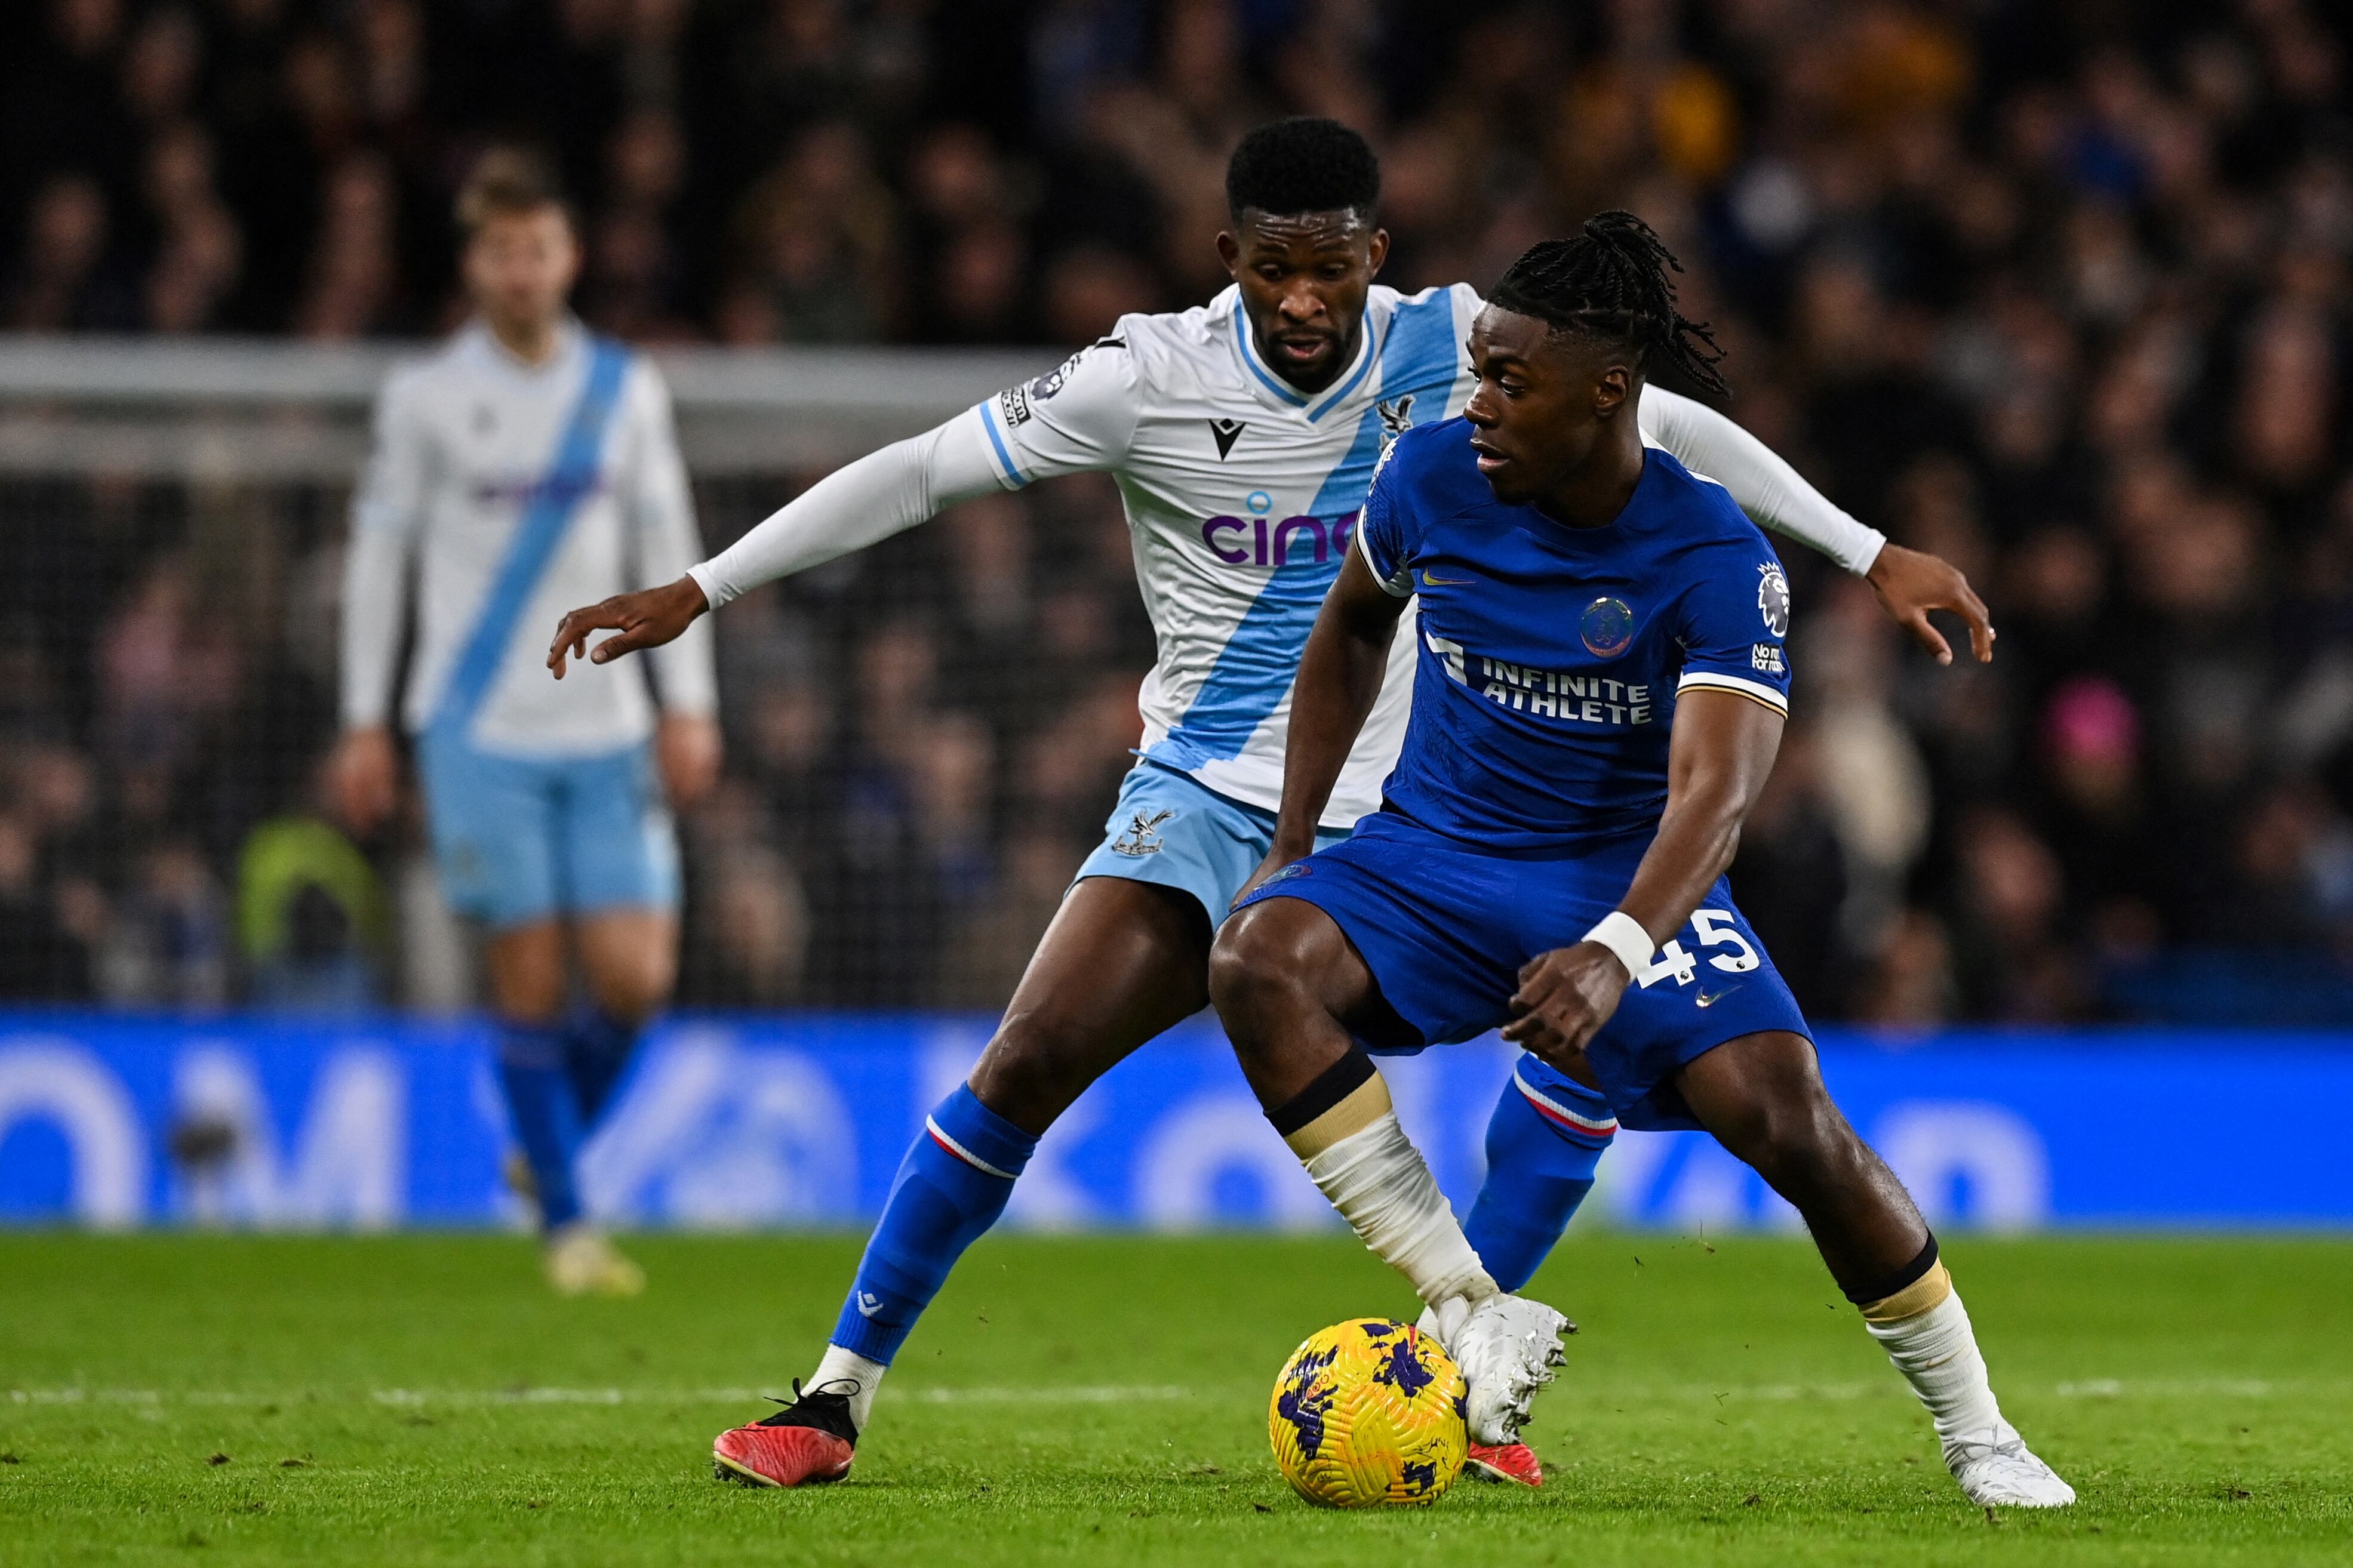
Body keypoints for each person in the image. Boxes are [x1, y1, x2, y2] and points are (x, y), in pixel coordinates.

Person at [546, 119, 1991, 1489]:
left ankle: (1469, 1387)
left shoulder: (1460, 349)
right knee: (1030, 1055)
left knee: (1577, 1069)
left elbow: (1679, 431)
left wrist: (1870, 551)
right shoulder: (1143, 378)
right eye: (1271, 265)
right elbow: (922, 475)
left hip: (1441, 806)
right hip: (1207, 790)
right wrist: (706, 586)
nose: (1304, 297)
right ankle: (836, 1395)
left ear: (1379, 250)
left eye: (1333, 263)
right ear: (1227, 254)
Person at [1207, 215, 2073, 1508]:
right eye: (1478, 374)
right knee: (1255, 959)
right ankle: (1468, 1302)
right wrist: (1291, 846)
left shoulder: (1716, 559)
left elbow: (1715, 799)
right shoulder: (1429, 478)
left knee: (1787, 1121)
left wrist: (1617, 954)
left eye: (1510, 380)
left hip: (1624, 873)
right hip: (1433, 855)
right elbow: (1348, 632)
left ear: (1608, 392)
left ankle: (1981, 1431)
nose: (1479, 404)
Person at [333, 150, 721, 1296]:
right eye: (499, 252)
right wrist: (365, 721)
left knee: (639, 979)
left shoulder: (625, 390)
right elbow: (379, 559)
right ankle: (565, 1225)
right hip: (474, 730)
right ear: (472, 263)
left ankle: (539, 1153)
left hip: (605, 725)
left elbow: (668, 548)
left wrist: (687, 705)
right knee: (532, 982)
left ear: (571, 257)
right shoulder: (424, 400)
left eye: (538, 249)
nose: (520, 271)